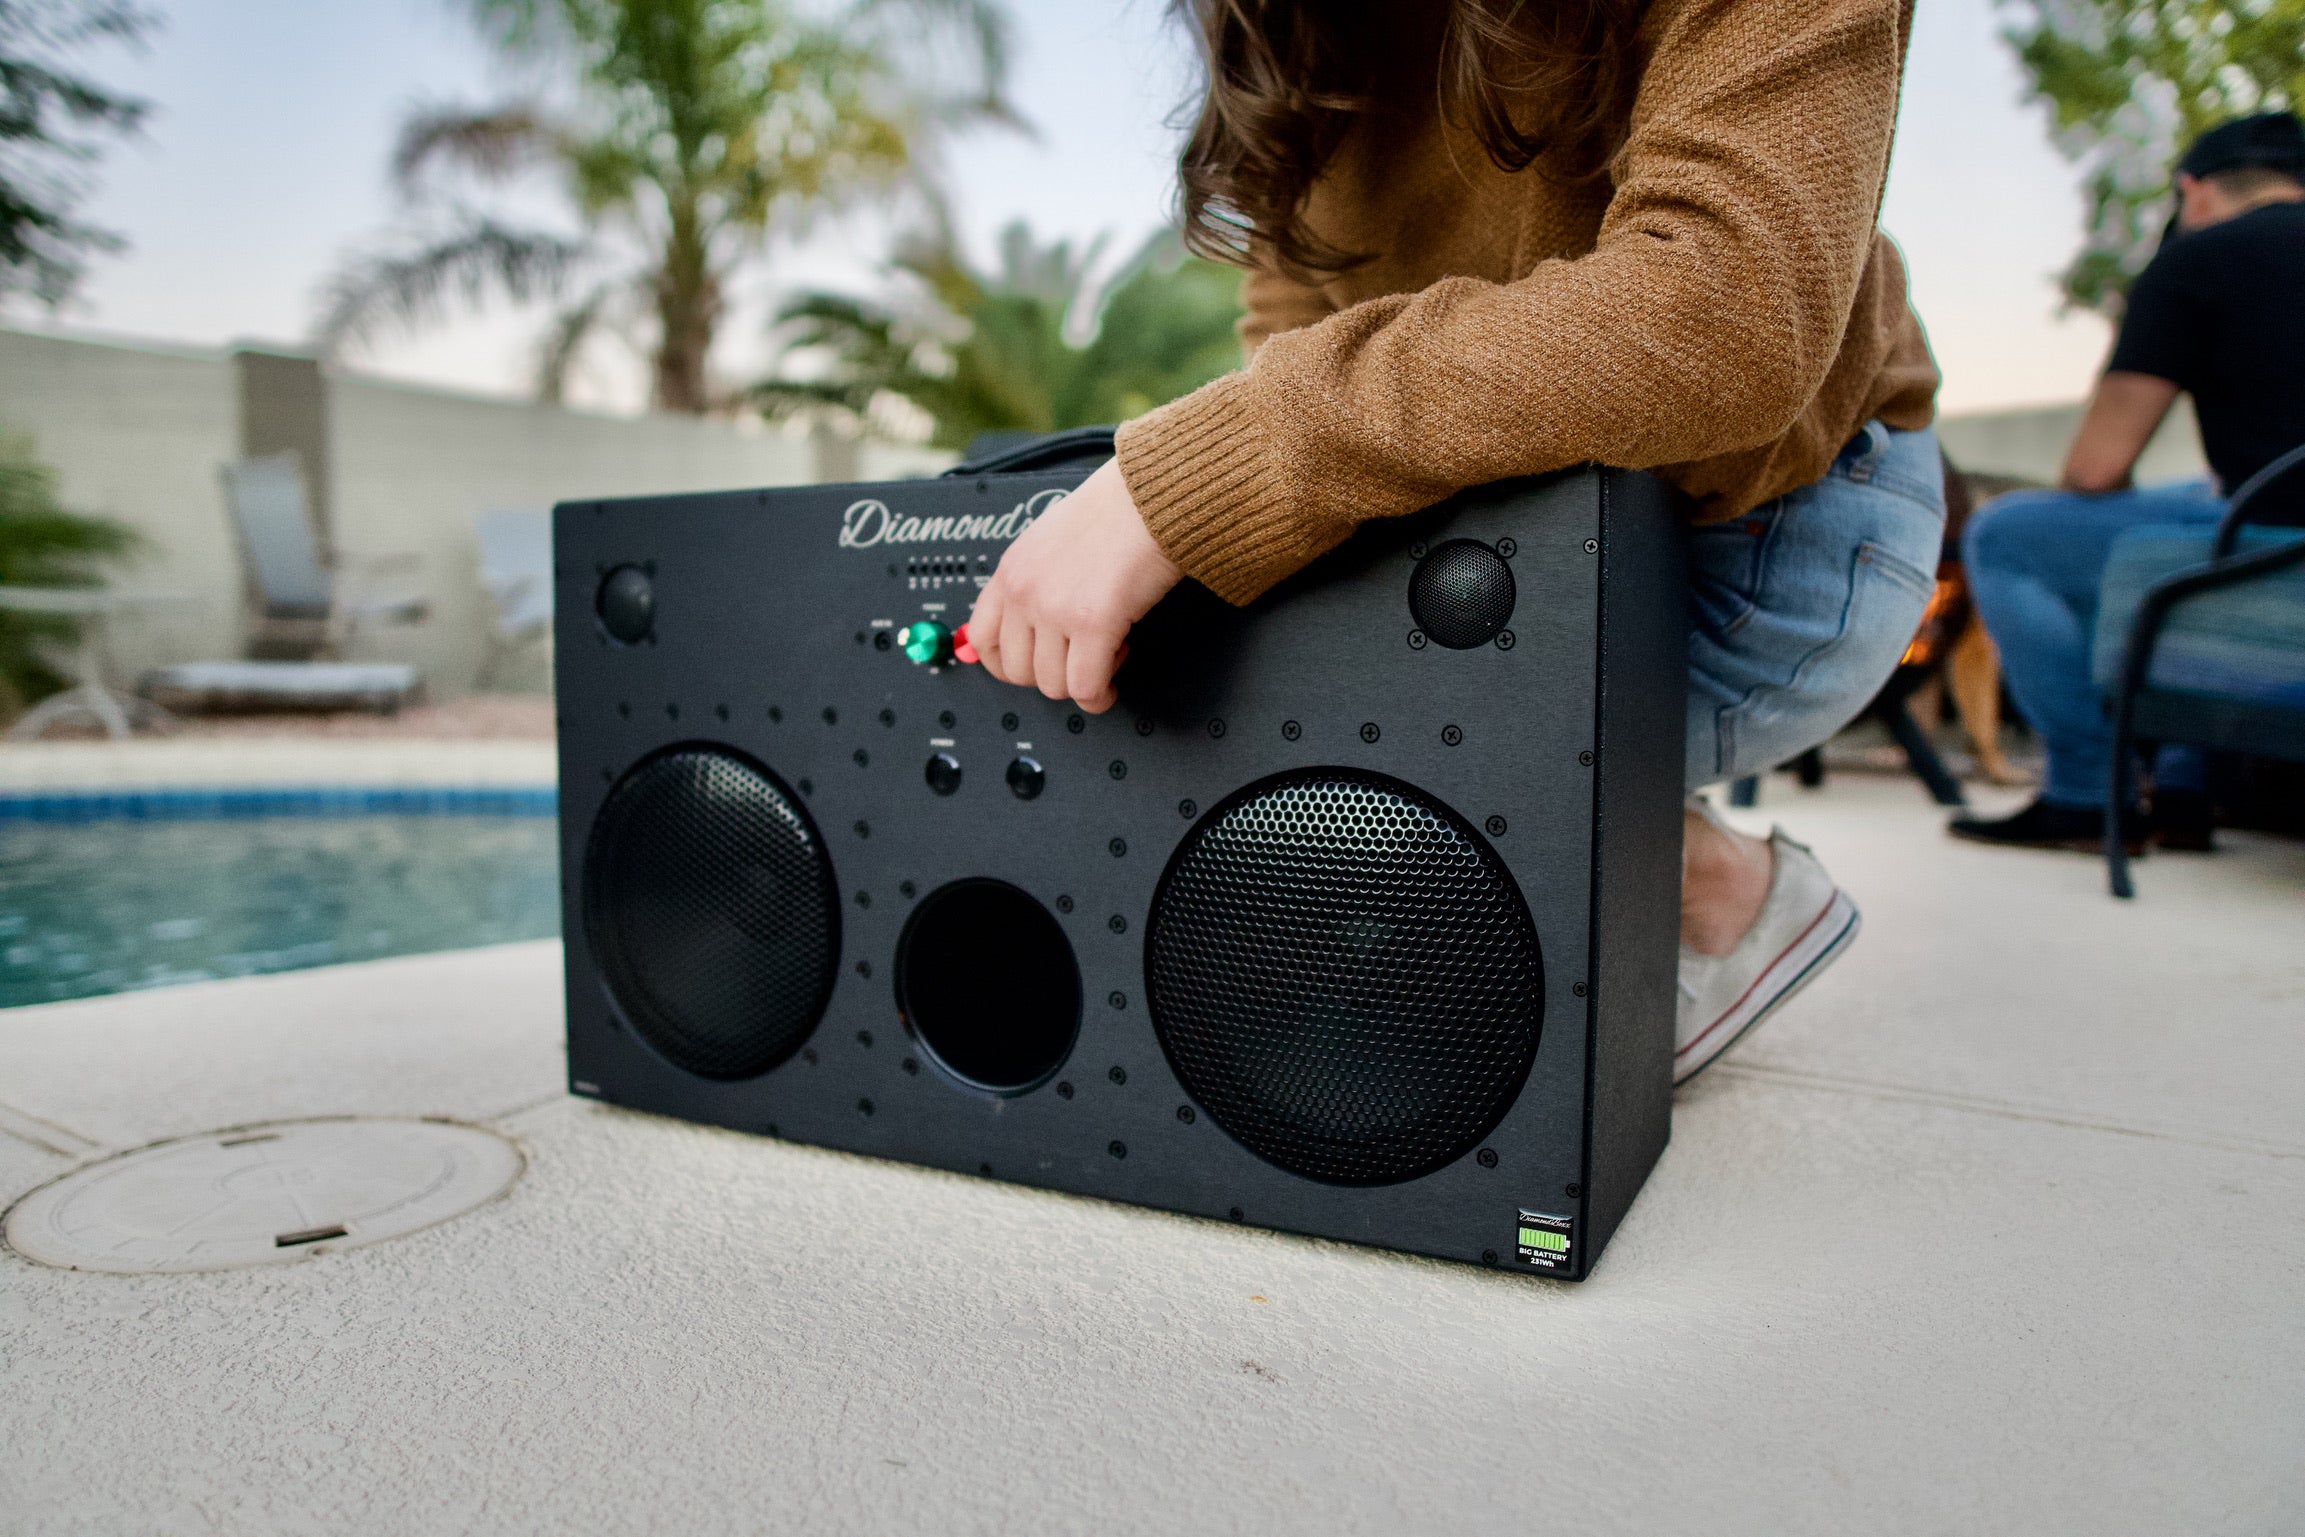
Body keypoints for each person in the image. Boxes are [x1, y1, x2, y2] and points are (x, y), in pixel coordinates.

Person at [968, 0, 1945, 1082]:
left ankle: (1699, 883)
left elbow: (1727, 313)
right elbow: (1294, 324)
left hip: (1759, 537)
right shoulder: (1278, 30)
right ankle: (1650, 866)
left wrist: (1195, 475)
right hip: (1512, 516)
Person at [1951, 112, 2305, 855]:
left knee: (2009, 535)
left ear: (2193, 193)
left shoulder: (2199, 259)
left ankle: (2084, 791)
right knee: (2197, 501)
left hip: (2276, 550)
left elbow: (2094, 469)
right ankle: (2180, 785)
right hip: (2271, 531)